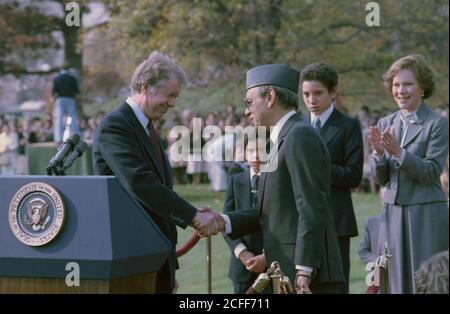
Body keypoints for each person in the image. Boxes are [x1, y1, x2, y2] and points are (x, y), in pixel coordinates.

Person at [207, 64, 344, 294]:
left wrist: (304, 270)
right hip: (288, 272)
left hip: (309, 279)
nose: (247, 112)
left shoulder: (299, 135)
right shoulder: (279, 139)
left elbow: (311, 206)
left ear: (270, 97)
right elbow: (272, 210)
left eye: (250, 102)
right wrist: (224, 221)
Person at [93, 51, 220, 293]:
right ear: (144, 86)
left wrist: (168, 269)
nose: (173, 104)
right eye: (169, 95)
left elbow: (159, 187)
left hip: (154, 255)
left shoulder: (146, 126)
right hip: (130, 257)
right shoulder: (116, 126)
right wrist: (192, 215)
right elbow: (140, 183)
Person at [369, 54, 449, 294]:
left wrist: (398, 152)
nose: (400, 90)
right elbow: (381, 178)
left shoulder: (437, 124)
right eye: (396, 85)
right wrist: (378, 154)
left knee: (427, 281)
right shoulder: (385, 122)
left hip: (425, 214)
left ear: (422, 87)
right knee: (394, 282)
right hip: (392, 215)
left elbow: (431, 171)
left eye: (407, 84)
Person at [300, 62, 364, 293]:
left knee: (335, 287)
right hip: (301, 221)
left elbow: (354, 175)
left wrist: (318, 169)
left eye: (318, 93)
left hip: (336, 220)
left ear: (333, 92)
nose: (311, 100)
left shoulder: (348, 126)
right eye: (306, 94)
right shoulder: (297, 125)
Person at [223, 135, 267, 294]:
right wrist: (242, 253)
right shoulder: (235, 181)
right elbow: (226, 222)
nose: (255, 156)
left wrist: (266, 256)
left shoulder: (278, 180)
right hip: (242, 267)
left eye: (260, 151)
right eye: (250, 151)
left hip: (271, 264)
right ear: (244, 153)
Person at [52, 68, 81, 143]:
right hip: (70, 98)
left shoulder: (57, 78)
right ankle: (76, 135)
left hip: (60, 98)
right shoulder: (72, 78)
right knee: (73, 118)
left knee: (59, 119)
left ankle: (58, 138)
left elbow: (54, 91)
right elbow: (77, 90)